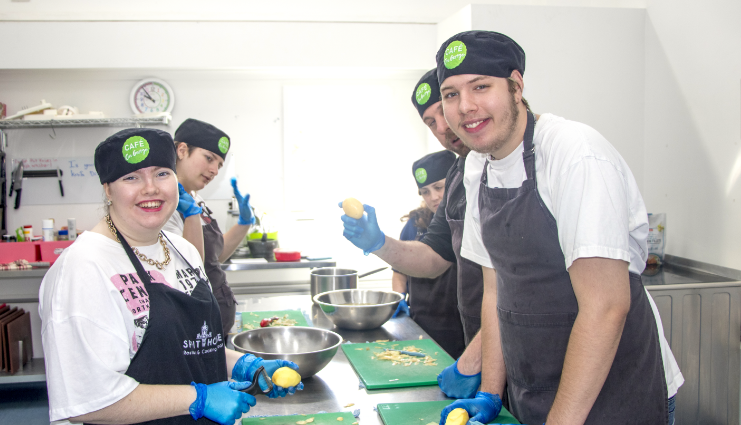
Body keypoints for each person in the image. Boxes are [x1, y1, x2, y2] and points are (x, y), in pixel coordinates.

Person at [434, 31, 683, 425]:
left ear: (516, 86)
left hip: (617, 389)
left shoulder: (575, 154)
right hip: (539, 388)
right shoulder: (476, 167)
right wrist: (490, 391)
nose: (465, 106)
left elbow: (606, 306)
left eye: (481, 87)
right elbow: (496, 288)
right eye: (450, 94)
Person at [39, 128, 301, 425]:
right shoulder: (83, 268)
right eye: (131, 177)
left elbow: (188, 349)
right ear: (108, 189)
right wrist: (199, 399)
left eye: (162, 173)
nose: (150, 188)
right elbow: (87, 401)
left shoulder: (183, 250)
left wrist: (242, 364)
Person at [340, 69, 485, 397]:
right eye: (431, 122)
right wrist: (379, 243)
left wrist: (474, 360)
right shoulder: (463, 179)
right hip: (482, 342)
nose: (443, 127)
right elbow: (435, 257)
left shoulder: (561, 154)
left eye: (446, 108)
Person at [164, 118, 255, 336]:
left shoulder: (195, 199)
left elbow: (215, 257)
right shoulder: (164, 204)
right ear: (182, 150)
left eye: (219, 165)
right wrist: (191, 217)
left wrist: (244, 223)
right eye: (209, 158)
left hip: (214, 323)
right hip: (191, 324)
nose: (214, 170)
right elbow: (190, 268)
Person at [391, 150, 464, 358]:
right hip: (421, 325)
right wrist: (399, 299)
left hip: (461, 328)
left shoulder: (469, 221)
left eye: (439, 187)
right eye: (425, 191)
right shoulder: (415, 224)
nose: (433, 198)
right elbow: (399, 271)